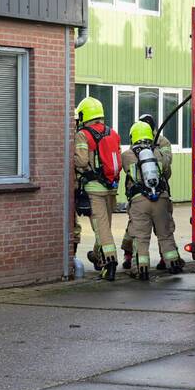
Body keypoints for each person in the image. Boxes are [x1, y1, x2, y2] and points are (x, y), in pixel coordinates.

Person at [121, 121, 184, 280]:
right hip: (161, 199)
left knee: (141, 237)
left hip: (139, 200)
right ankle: (173, 263)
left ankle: (141, 268)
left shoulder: (127, 155)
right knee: (165, 234)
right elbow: (167, 173)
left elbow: (131, 175)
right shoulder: (158, 152)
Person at [74, 96, 123, 281]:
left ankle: (110, 265)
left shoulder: (83, 134)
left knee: (102, 229)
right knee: (104, 226)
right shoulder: (113, 133)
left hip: (94, 188)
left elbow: (82, 161)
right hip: (111, 187)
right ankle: (97, 256)